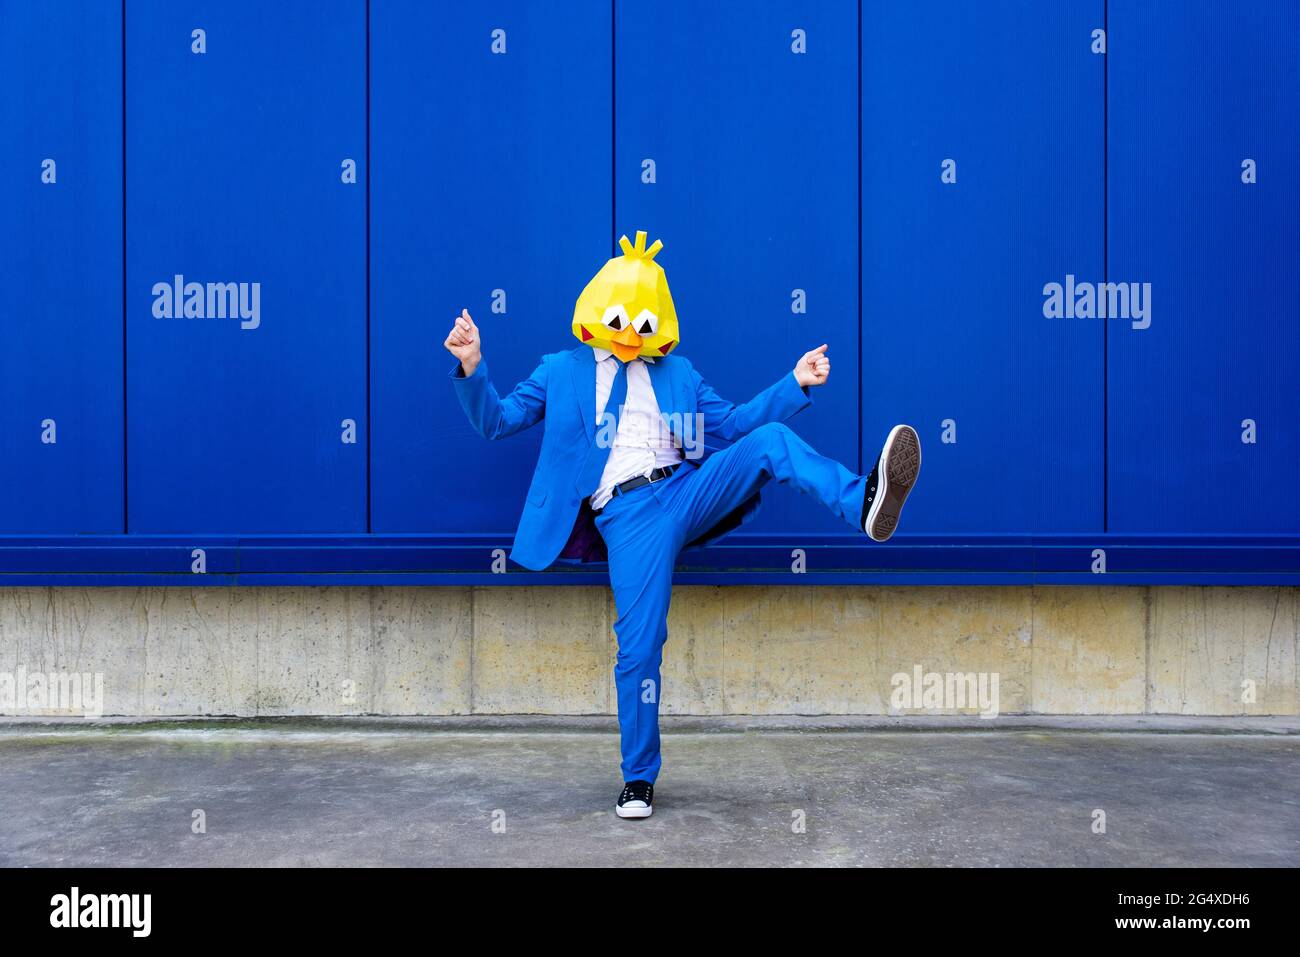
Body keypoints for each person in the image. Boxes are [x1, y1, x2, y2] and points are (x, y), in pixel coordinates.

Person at [445, 232, 920, 819]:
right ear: (595, 310)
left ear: (661, 324)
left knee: (769, 440)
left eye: (644, 324)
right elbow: (497, 422)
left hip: (684, 489)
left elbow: (735, 424)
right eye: (619, 319)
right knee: (640, 648)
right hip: (626, 516)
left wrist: (794, 381)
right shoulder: (560, 372)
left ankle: (864, 503)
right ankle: (638, 778)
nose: (630, 333)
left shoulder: (677, 374)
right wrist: (471, 366)